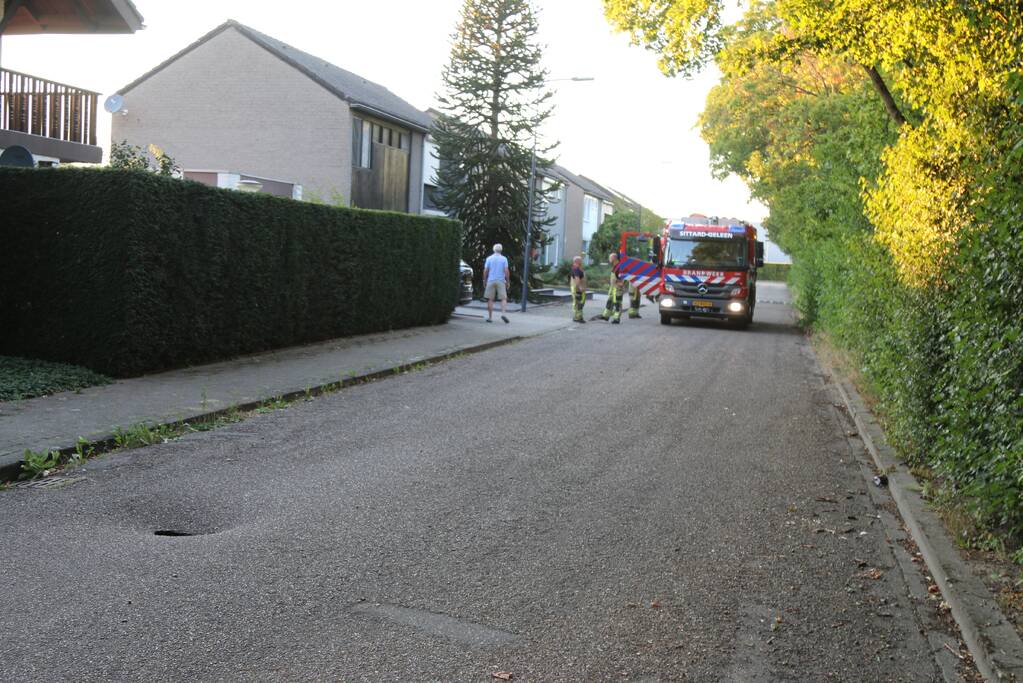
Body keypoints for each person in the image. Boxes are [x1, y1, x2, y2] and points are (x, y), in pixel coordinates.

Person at [483, 243, 510, 323]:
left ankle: (490, 318)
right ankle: (503, 314)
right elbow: (506, 271)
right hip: (501, 281)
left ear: (493, 250)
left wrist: (484, 280)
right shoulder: (504, 259)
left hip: (491, 280)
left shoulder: (489, 258)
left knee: (490, 299)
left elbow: (485, 270)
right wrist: (507, 281)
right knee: (503, 298)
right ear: (501, 250)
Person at [595, 252, 625, 324]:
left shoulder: (619, 267)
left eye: (610, 258)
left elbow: (622, 279)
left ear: (614, 258)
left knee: (617, 304)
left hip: (617, 289)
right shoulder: (615, 266)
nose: (609, 259)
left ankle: (616, 318)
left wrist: (620, 284)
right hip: (613, 288)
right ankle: (606, 316)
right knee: (609, 302)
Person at [569, 255, 587, 323]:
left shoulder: (577, 268)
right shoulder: (576, 269)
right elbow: (577, 279)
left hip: (578, 289)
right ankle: (578, 317)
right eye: (581, 260)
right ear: (577, 261)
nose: (582, 261)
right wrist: (580, 287)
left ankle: (578, 316)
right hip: (578, 289)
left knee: (579, 303)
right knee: (579, 303)